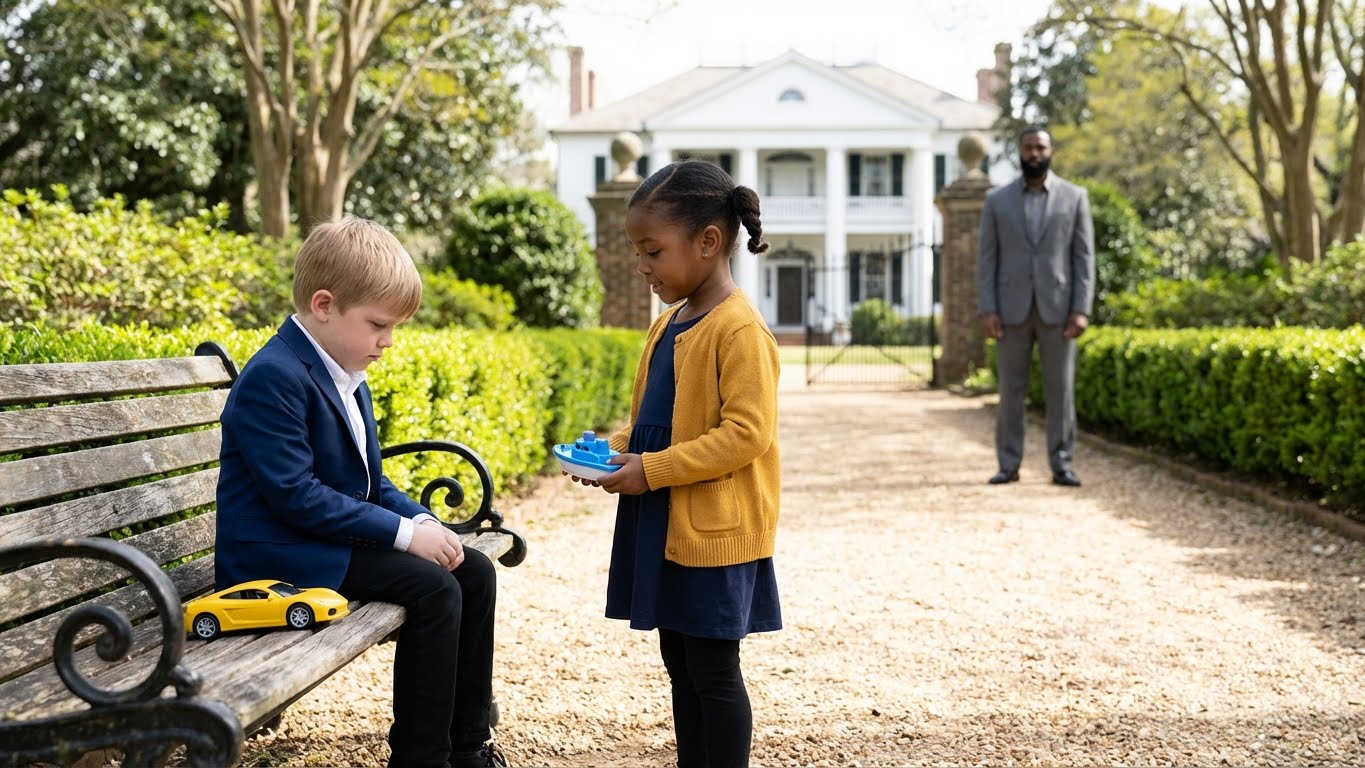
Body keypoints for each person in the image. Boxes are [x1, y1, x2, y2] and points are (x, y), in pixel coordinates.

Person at [214, 217, 508, 768]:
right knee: (432, 589)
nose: (388, 341)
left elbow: (373, 482)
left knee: (473, 570)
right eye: (378, 324)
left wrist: (420, 521)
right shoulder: (273, 376)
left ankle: (470, 746)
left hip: (322, 541)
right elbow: (295, 495)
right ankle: (423, 757)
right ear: (324, 305)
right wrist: (401, 538)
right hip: (274, 555)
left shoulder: (345, 370)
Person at [572, 159, 783, 768]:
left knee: (714, 670)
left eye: (652, 251)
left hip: (714, 533)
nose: (643, 267)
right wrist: (613, 452)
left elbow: (746, 434)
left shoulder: (740, 329)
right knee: (679, 664)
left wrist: (650, 469)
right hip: (666, 523)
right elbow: (656, 424)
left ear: (709, 242)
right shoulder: (670, 322)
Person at [977, 126, 1095, 488]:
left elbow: (1084, 258)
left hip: (1058, 311)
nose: (1034, 153)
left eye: (1040, 147)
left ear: (1051, 151)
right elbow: (987, 260)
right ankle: (1008, 465)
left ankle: (1062, 465)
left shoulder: (1075, 197)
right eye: (1028, 147)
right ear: (1019, 151)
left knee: (1061, 392)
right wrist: (988, 308)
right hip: (1010, 311)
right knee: (1011, 392)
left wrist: (1081, 308)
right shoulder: (997, 201)